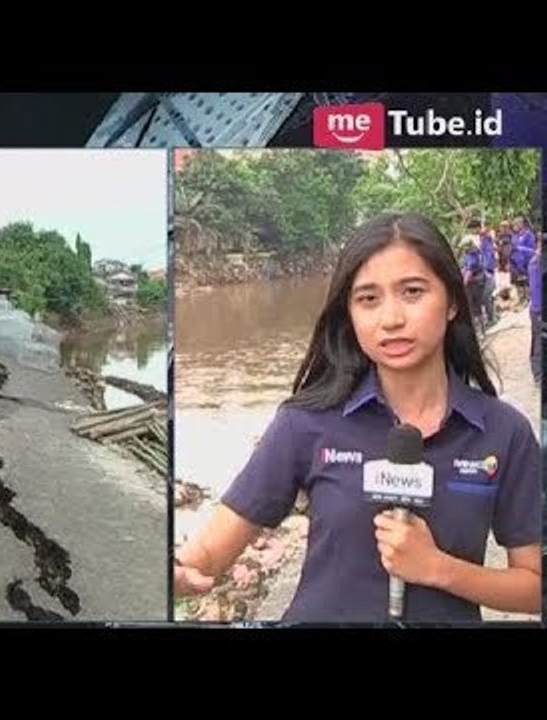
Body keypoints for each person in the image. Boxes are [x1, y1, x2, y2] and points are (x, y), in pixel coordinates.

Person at [175, 213, 542, 623]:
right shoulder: (305, 423)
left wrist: (440, 569)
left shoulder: (505, 432)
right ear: (349, 313)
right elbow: (206, 554)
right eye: (368, 298)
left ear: (453, 300)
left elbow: (533, 588)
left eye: (413, 292)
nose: (391, 319)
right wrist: (173, 573)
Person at [478, 222, 498, 326]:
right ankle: (492, 315)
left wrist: (486, 268)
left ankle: (492, 317)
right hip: (487, 270)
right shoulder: (484, 242)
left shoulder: (487, 241)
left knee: (487, 295)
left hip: (488, 271)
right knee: (488, 295)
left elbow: (488, 257)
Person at [529, 234, 542, 385]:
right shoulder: (536, 263)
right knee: (538, 342)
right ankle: (538, 374)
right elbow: (536, 289)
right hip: (538, 310)